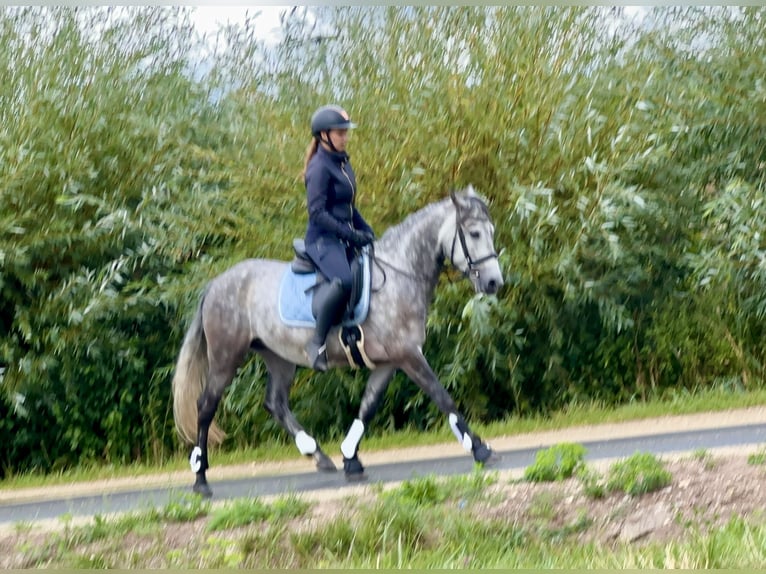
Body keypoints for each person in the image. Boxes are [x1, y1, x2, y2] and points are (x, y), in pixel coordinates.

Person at [302, 104, 375, 371]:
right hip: (322, 240)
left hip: (342, 236)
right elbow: (318, 213)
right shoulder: (319, 168)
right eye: (339, 132)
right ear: (324, 135)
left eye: (346, 132)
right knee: (343, 279)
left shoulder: (343, 162)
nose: (345, 137)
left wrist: (366, 230)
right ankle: (317, 343)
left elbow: (348, 206)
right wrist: (351, 235)